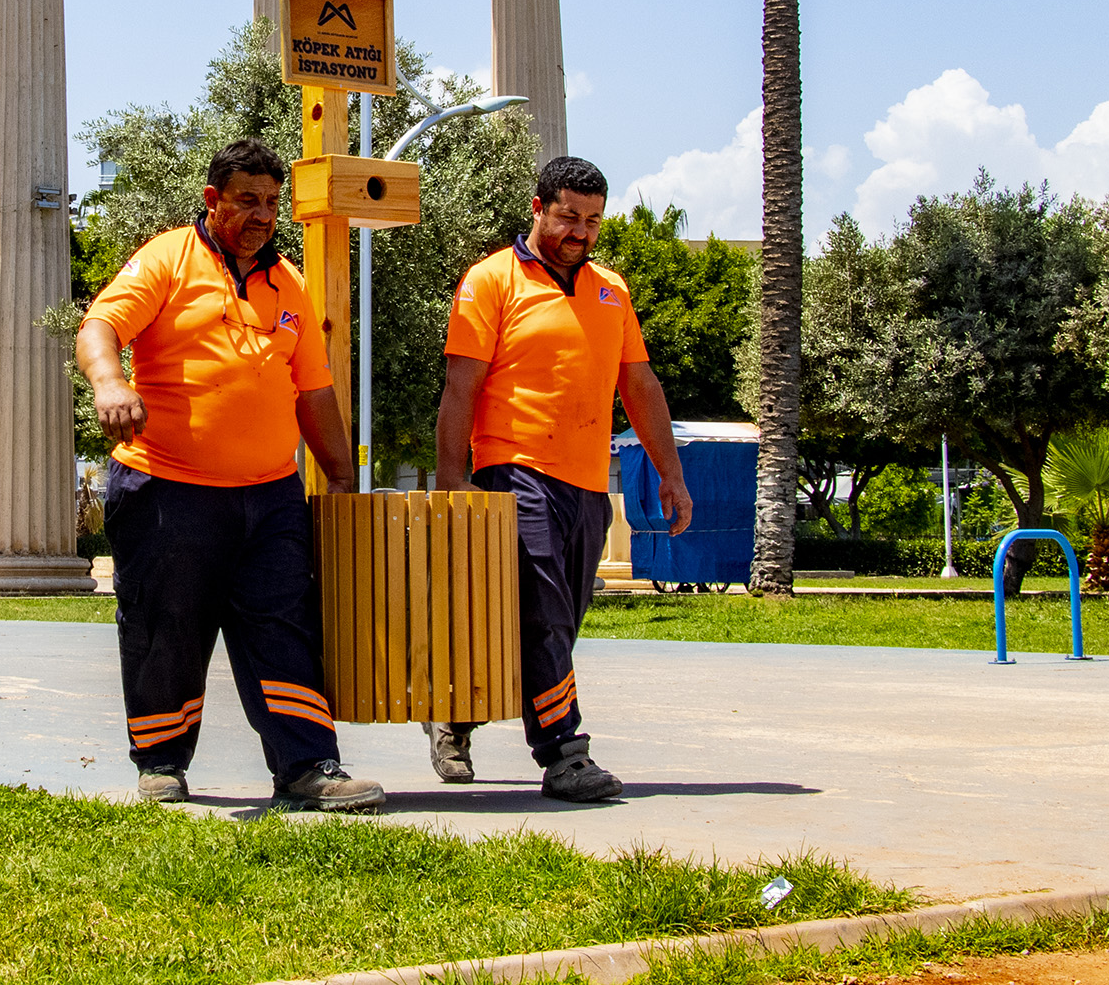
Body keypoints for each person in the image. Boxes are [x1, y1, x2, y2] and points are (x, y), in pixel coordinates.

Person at [77, 137, 384, 814]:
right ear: (214, 198)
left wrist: (338, 476)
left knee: (284, 625)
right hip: (167, 487)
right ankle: (160, 763)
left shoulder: (289, 282)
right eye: (248, 199)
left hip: (271, 494)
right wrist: (109, 381)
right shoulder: (168, 258)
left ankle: (309, 767)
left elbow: (316, 391)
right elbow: (100, 324)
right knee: (168, 628)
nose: (263, 214)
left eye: (272, 202)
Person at [432, 155, 692, 802]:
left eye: (594, 220)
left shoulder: (612, 288)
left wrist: (672, 474)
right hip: (513, 471)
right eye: (569, 216)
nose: (581, 231)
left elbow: (640, 384)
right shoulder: (491, 279)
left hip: (585, 481)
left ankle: (456, 713)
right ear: (538, 207)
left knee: (555, 621)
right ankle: (564, 755)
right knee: (543, 612)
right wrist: (450, 475)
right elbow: (460, 386)